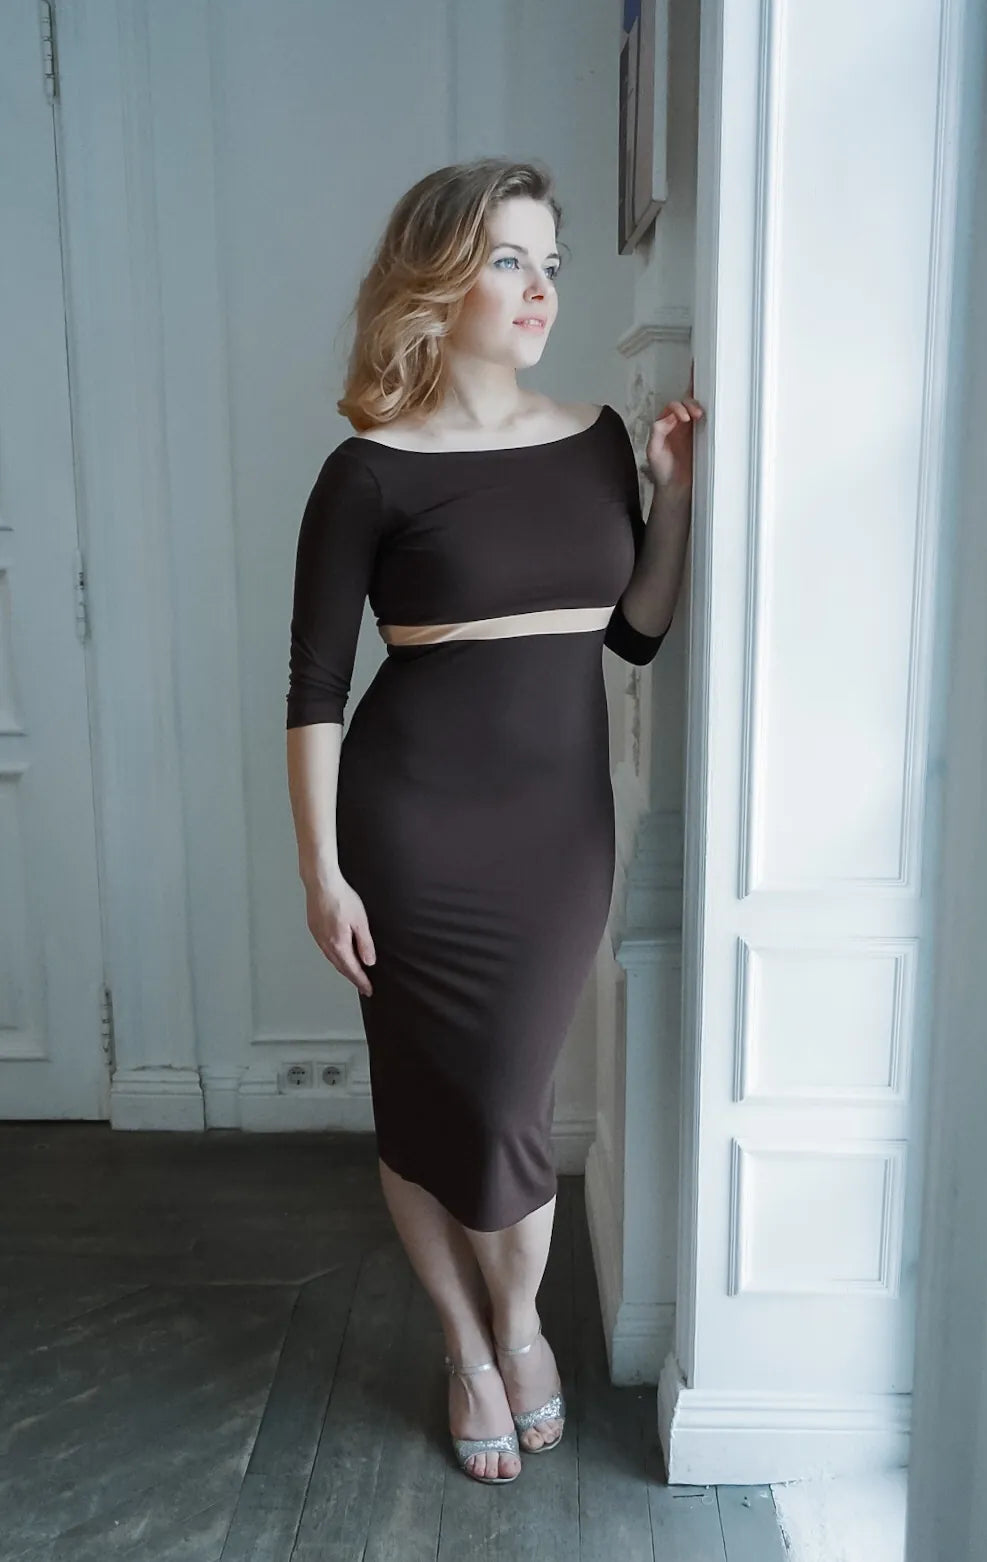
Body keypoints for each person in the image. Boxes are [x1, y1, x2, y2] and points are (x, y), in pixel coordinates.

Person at [285, 157, 703, 1486]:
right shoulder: (365, 474)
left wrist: (672, 493)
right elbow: (311, 693)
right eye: (510, 260)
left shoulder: (590, 439)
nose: (539, 291)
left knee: (505, 1114)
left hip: (556, 834)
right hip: (408, 832)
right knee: (424, 1101)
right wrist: (322, 873)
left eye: (552, 266)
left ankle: (515, 1311)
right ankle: (472, 1343)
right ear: (440, 274)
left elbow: (633, 634)